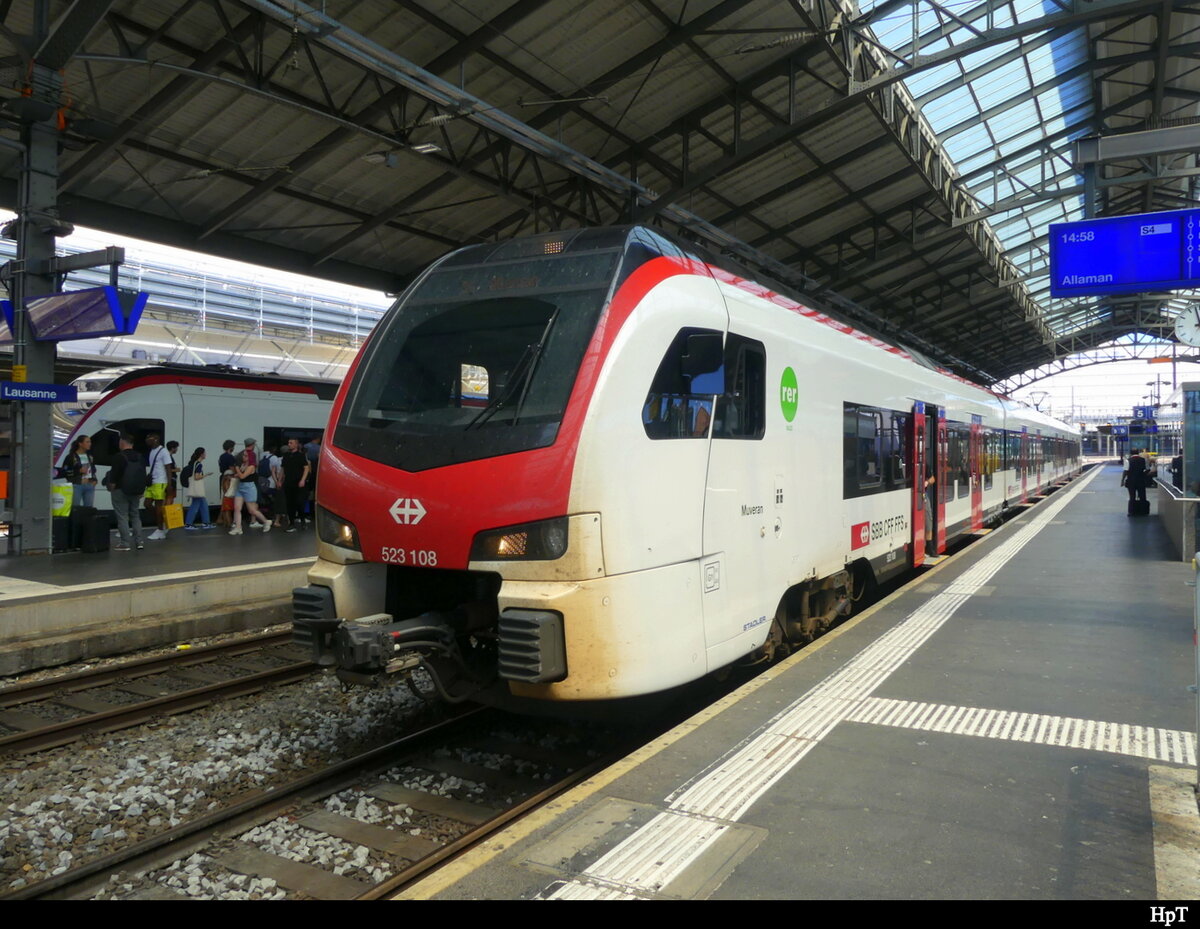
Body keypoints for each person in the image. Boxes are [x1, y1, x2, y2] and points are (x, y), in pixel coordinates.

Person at [104, 433, 147, 552]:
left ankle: (125, 543)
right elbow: (143, 474)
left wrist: (111, 486)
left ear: (122, 442)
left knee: (122, 516)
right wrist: (142, 489)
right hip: (136, 491)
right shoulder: (140, 456)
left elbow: (114, 474)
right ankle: (139, 542)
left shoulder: (119, 456)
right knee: (135, 515)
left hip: (120, 490)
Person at [229, 437, 271, 535]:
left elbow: (243, 476)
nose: (244, 456)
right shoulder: (243, 465)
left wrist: (237, 469)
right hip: (241, 486)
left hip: (249, 487)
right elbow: (240, 475)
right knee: (237, 508)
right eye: (243, 455)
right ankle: (238, 528)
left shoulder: (251, 467)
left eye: (245, 455)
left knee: (252, 510)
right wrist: (237, 472)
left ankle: (266, 521)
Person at [279, 436, 312, 531]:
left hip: (298, 483)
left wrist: (302, 480)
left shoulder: (301, 455)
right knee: (290, 504)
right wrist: (279, 480)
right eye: (288, 443)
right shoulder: (286, 456)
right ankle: (292, 523)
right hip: (288, 482)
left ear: (296, 444)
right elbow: (282, 468)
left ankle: (302, 521)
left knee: (300, 502)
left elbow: (306, 468)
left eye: (291, 443)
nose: (289, 444)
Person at [145, 434, 172, 540]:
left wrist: (169, 485)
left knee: (158, 506)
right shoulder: (152, 451)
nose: (147, 440)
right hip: (152, 482)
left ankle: (160, 530)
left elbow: (168, 468)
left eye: (149, 438)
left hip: (160, 482)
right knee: (147, 504)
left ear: (156, 439)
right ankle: (162, 522)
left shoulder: (163, 452)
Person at [60, 435, 99, 508]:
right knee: (75, 507)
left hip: (89, 485)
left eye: (90, 442)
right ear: (80, 444)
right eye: (87, 442)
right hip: (77, 485)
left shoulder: (90, 456)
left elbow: (92, 469)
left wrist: (94, 480)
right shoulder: (71, 457)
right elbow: (64, 471)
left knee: (89, 508)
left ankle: (86, 519)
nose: (89, 444)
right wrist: (78, 471)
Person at [182, 447, 214, 529]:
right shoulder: (199, 464)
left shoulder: (195, 463)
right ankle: (189, 524)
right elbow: (196, 477)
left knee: (203, 505)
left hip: (196, 490)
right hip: (197, 489)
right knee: (195, 506)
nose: (206, 454)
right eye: (205, 453)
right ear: (201, 454)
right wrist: (206, 474)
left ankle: (206, 522)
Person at [217, 439, 237, 528]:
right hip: (229, 478)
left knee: (225, 498)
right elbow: (232, 468)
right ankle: (228, 520)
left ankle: (221, 518)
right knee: (228, 499)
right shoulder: (230, 457)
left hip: (222, 477)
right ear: (231, 447)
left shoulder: (222, 456)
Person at [1123, 447, 1149, 514]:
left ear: (1131, 453)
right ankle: (1143, 511)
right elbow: (1147, 469)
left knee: (1132, 496)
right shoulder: (1144, 460)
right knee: (1142, 496)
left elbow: (1125, 471)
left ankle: (1132, 512)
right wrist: (1143, 474)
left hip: (1131, 481)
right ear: (1138, 453)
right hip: (1141, 480)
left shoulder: (1128, 460)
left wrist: (1122, 480)